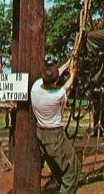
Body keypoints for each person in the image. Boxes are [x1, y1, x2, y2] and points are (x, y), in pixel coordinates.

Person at [31, 60, 81, 194]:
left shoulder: (35, 87)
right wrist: (73, 75)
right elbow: (66, 86)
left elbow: (56, 76)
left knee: (56, 167)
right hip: (55, 136)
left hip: (41, 133)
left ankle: (61, 188)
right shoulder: (56, 96)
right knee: (73, 170)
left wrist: (67, 63)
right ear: (55, 81)